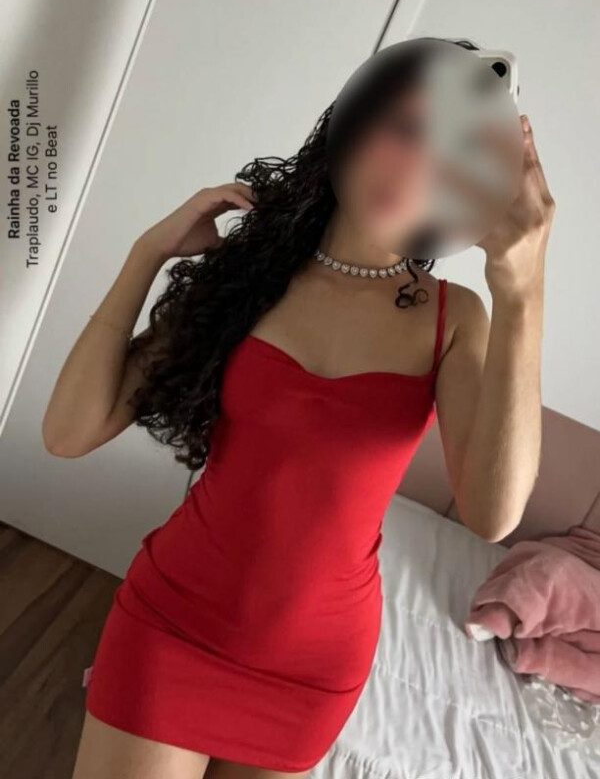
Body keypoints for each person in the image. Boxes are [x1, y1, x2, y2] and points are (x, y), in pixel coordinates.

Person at [43, 38, 555, 779]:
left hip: (313, 669)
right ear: (354, 119)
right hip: (173, 625)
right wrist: (147, 253)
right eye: (406, 128)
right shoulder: (250, 274)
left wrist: (523, 292)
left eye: (450, 155)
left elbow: (492, 514)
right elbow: (68, 433)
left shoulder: (455, 319)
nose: (415, 167)